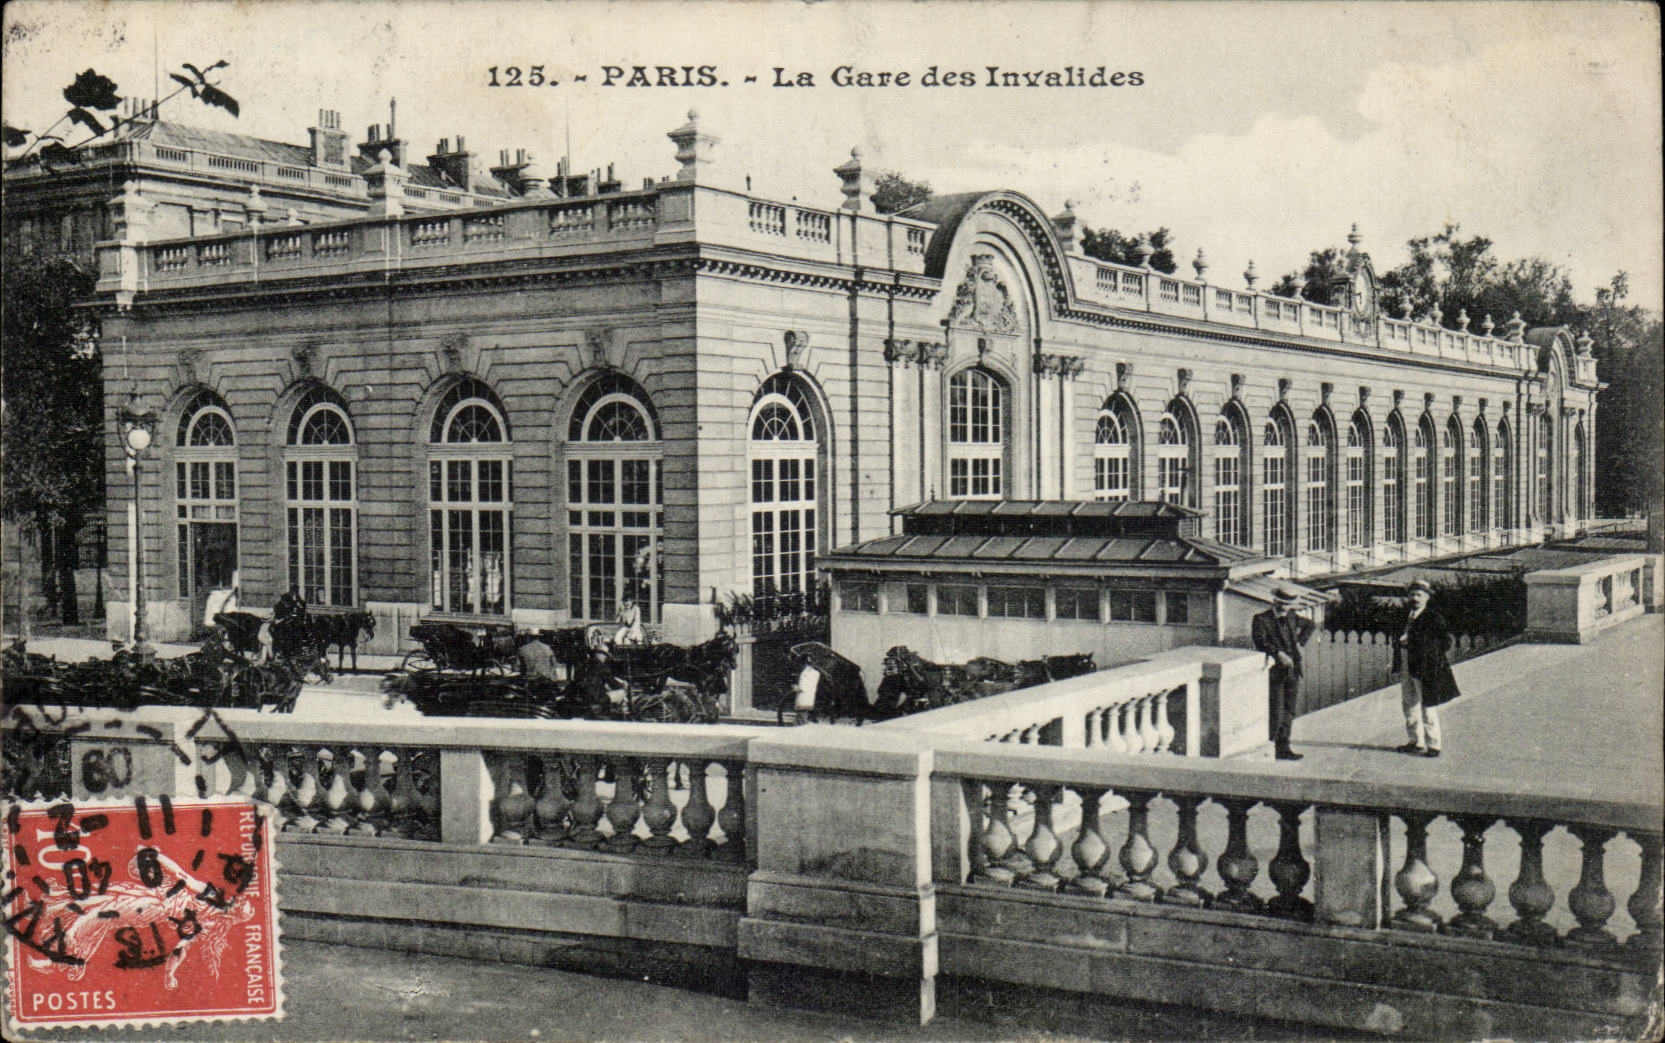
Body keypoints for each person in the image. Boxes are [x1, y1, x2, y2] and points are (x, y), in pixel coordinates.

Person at [1393, 579, 1460, 757]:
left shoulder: (1433, 617)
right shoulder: (1406, 615)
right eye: (1412, 594)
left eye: (1419, 595)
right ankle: (1415, 742)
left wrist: (1416, 643)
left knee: (1427, 706)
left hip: (1425, 668)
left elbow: (1445, 642)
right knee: (1409, 704)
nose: (1415, 598)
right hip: (1407, 664)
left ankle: (1434, 745)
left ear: (1427, 598)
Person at [1251, 585, 1315, 761]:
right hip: (1275, 671)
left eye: (1288, 606)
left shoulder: (1292, 616)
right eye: (1282, 605)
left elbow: (1310, 624)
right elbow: (1260, 641)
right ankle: (1270, 746)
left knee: (1289, 710)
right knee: (1276, 710)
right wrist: (1278, 654)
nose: (1285, 609)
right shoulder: (1261, 619)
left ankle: (1283, 748)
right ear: (1275, 602)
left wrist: (1300, 644)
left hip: (1293, 670)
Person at [572, 644, 627, 718]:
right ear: (599, 654)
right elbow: (612, 684)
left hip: (581, 695)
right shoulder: (602, 667)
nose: (605, 658)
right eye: (605, 655)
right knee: (621, 691)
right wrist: (622, 685)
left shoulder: (583, 665)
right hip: (596, 698)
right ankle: (622, 712)